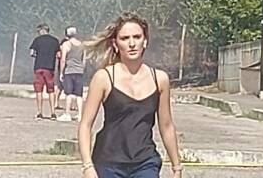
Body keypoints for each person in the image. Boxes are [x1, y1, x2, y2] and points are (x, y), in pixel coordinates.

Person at [77, 12, 183, 178]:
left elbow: (167, 126)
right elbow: (85, 125)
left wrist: (177, 167)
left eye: (137, 37)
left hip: (145, 162)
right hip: (108, 163)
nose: (132, 43)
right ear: (115, 44)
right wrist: (87, 166)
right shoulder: (104, 78)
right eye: (125, 38)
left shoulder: (160, 79)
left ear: (145, 41)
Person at [29, 24, 60, 120]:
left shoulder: (37, 40)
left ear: (42, 31)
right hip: (50, 68)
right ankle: (53, 113)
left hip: (39, 67)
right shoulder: (55, 41)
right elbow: (59, 55)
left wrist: (38, 55)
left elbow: (32, 53)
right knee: (51, 90)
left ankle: (39, 112)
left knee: (39, 90)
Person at [58, 27, 85, 123]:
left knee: (68, 93)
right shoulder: (82, 45)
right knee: (79, 94)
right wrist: (82, 69)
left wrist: (61, 72)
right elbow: (83, 59)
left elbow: (63, 59)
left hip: (69, 71)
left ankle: (67, 113)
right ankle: (80, 114)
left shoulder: (66, 44)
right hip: (79, 71)